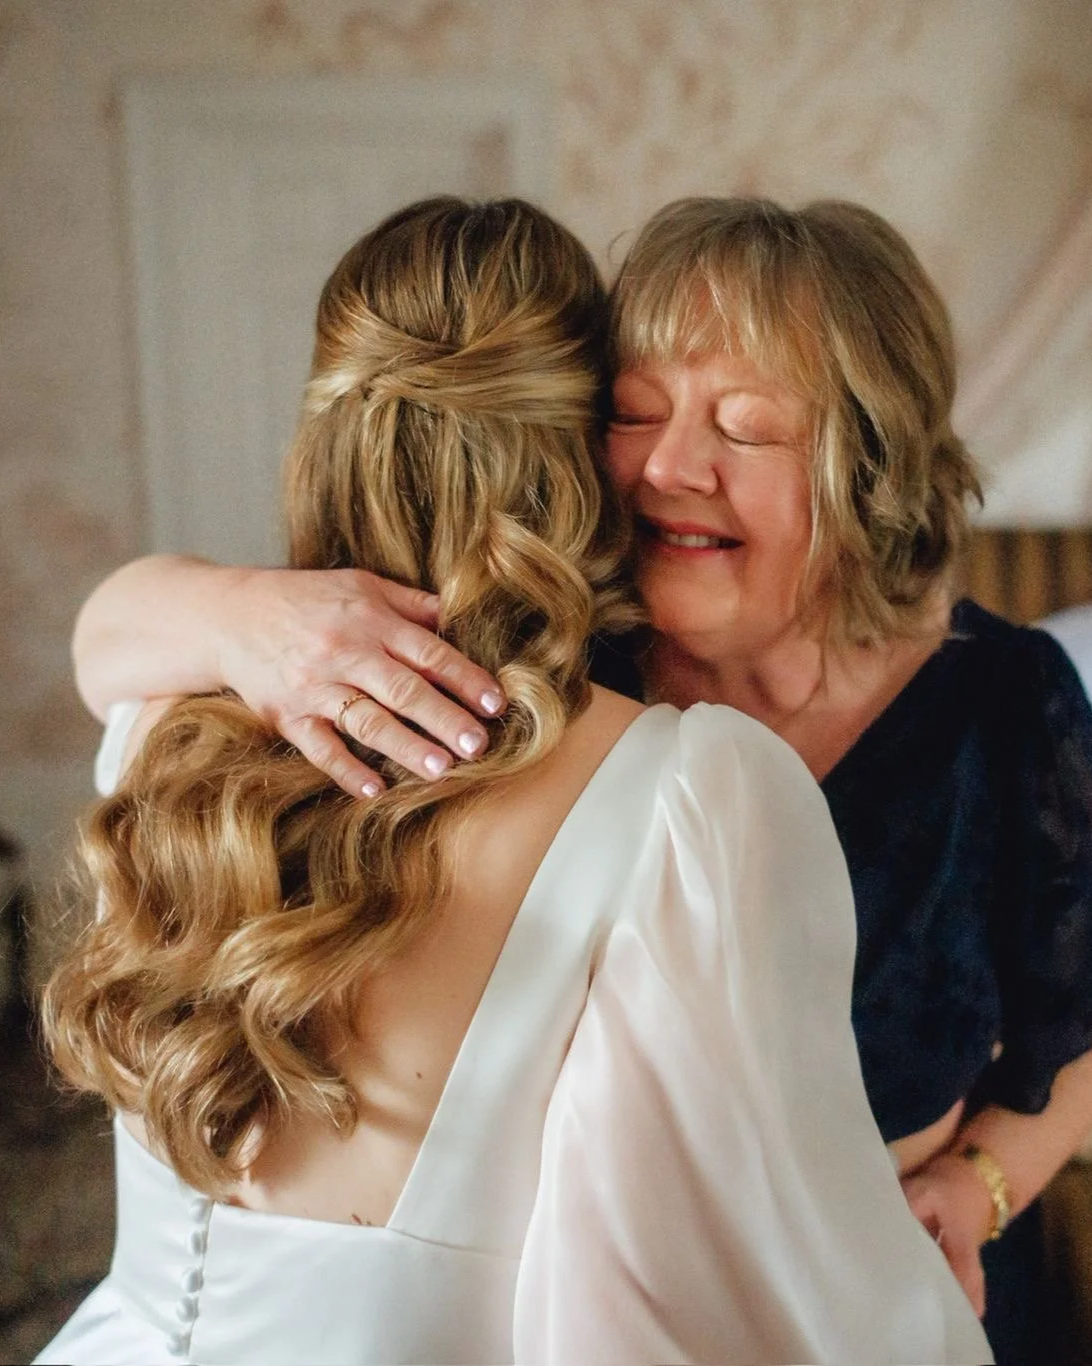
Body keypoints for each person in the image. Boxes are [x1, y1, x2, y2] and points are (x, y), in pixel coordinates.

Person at [73, 195, 1092, 1364]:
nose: (667, 465)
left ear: (866, 470)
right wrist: (238, 610)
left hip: (898, 1286)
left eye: (746, 428)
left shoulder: (1007, 709)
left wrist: (980, 1189)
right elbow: (112, 648)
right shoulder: (537, 688)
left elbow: (1073, 1033)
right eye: (633, 412)